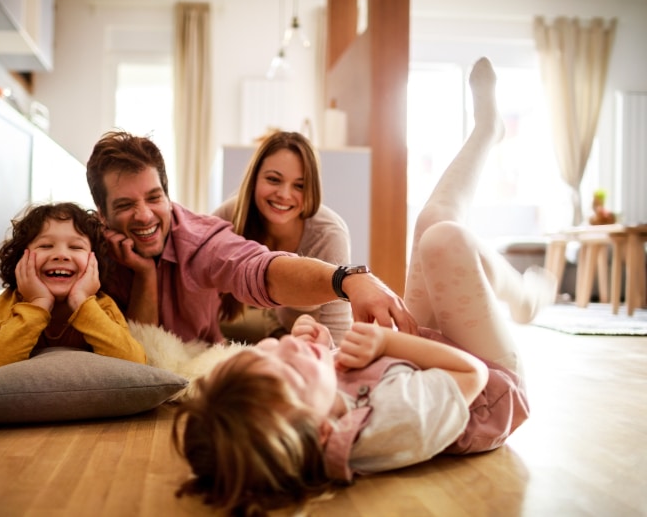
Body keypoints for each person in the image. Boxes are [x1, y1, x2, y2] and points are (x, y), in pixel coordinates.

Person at [171, 57, 558, 516]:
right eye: (273, 180)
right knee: (442, 234)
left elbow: (335, 361)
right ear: (320, 432)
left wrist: (314, 346)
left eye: (270, 353)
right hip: (490, 386)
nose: (284, 194)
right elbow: (470, 375)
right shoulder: (387, 424)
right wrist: (385, 342)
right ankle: (520, 291)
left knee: (436, 227)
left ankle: (517, 287)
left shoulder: (313, 407)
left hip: (420, 358)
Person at [85, 131, 417, 346]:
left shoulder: (201, 239)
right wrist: (145, 273)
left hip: (301, 323)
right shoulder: (87, 248)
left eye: (154, 198)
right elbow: (144, 354)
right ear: (102, 214)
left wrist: (346, 278)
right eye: (126, 205)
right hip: (248, 327)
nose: (144, 215)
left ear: (169, 196)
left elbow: (257, 268)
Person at [0, 202, 146, 373]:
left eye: (76, 247)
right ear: (21, 259)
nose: (61, 255)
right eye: (45, 246)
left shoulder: (102, 305)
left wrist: (81, 302)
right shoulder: (8, 302)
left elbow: (135, 363)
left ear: (94, 261)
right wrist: (38, 304)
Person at [212, 131, 352, 344]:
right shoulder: (231, 215)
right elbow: (195, 283)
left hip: (307, 344)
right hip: (262, 326)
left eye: (299, 185)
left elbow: (339, 335)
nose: (284, 194)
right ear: (254, 178)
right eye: (273, 179)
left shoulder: (328, 235)